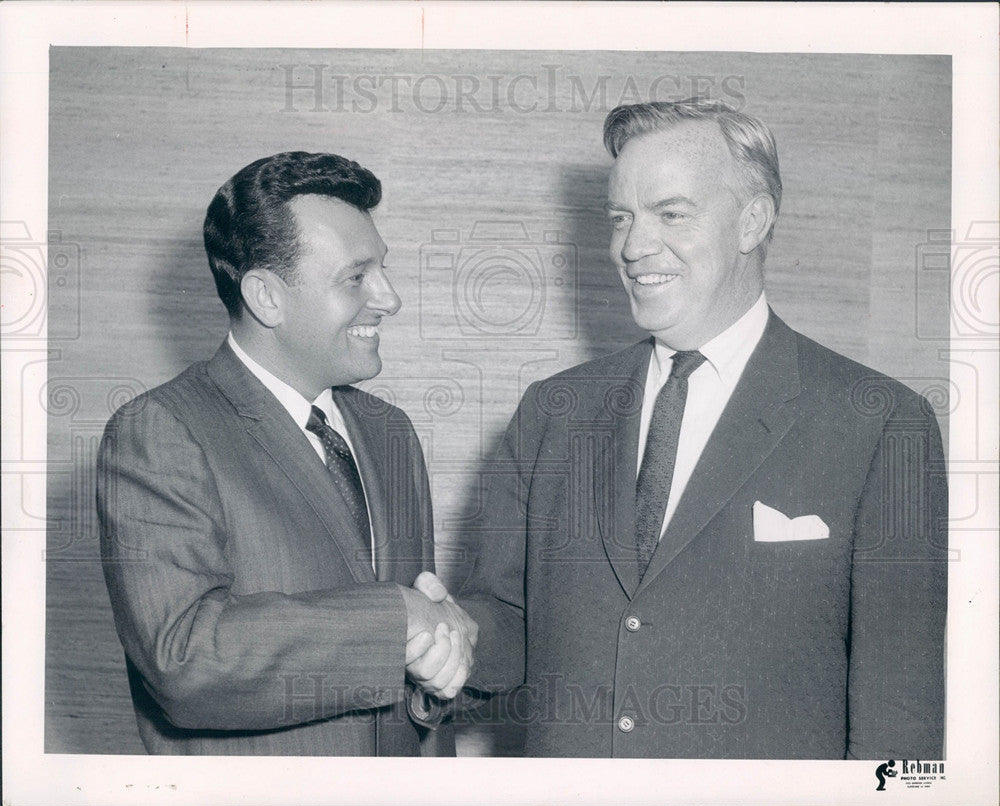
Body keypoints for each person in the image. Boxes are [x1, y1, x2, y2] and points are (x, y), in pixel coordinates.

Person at [452, 99, 947, 758]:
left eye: (671, 214)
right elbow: (507, 625)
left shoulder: (881, 423)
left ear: (753, 220)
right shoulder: (553, 411)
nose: (632, 246)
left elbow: (900, 718)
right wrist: (439, 636)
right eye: (620, 217)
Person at [97, 151, 476, 756]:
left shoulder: (390, 432)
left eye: (383, 269)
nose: (390, 298)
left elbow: (417, 672)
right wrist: (396, 620)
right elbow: (182, 659)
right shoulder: (160, 430)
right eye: (357, 277)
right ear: (266, 297)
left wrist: (434, 678)